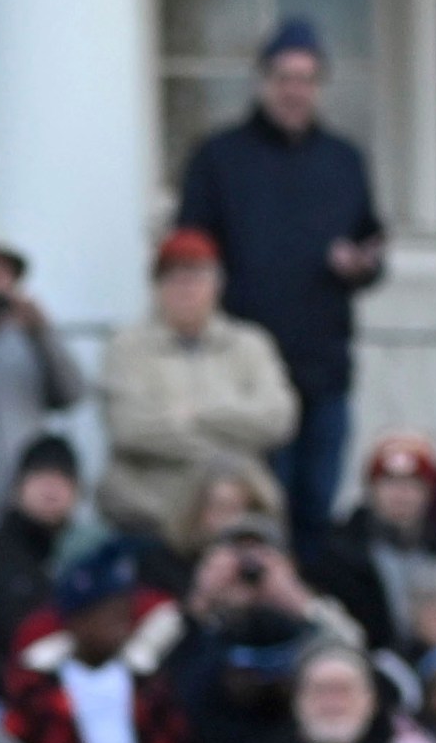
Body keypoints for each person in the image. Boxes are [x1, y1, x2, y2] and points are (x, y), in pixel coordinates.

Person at [173, 20, 390, 520]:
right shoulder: (218, 157)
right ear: (262, 81)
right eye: (284, 78)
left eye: (307, 79)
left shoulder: (344, 161)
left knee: (316, 502)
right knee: (254, 504)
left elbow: (371, 247)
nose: (295, 90)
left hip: (323, 368)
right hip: (243, 374)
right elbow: (189, 252)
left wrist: (358, 267)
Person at [95, 230, 299, 553]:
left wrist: (195, 414)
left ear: (217, 285)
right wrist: (230, 447)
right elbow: (130, 429)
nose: (186, 289)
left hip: (238, 520)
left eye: (196, 277)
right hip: (150, 519)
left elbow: (277, 419)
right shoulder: (128, 348)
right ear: (157, 288)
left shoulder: (249, 345)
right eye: (175, 279)